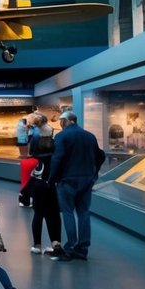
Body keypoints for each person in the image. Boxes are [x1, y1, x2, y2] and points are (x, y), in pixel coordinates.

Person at [49, 110, 104, 262]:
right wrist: (94, 173)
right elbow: (101, 155)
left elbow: (57, 159)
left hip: (68, 180)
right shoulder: (89, 136)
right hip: (86, 179)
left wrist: (51, 180)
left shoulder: (62, 136)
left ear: (65, 121)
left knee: (67, 212)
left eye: (61, 121)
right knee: (84, 213)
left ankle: (70, 247)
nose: (60, 124)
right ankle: (83, 249)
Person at [21, 157, 62, 256]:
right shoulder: (54, 159)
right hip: (51, 188)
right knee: (53, 217)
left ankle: (37, 246)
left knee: (38, 215)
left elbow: (32, 178)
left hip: (38, 187)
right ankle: (56, 245)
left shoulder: (38, 162)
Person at [17, 115, 37, 207]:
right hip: (32, 184)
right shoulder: (37, 162)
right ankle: (31, 200)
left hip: (24, 184)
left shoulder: (23, 162)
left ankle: (24, 200)